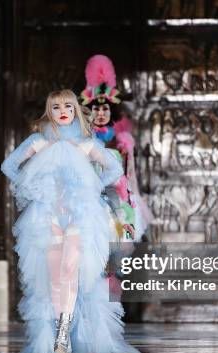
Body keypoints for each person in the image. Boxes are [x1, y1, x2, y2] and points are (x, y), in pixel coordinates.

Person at [1, 90, 139, 353]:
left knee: (70, 271)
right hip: (48, 217)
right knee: (55, 276)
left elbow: (114, 170)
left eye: (68, 106)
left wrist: (93, 187)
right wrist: (33, 189)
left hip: (81, 217)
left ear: (75, 109)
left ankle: (63, 335)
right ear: (48, 111)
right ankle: (59, 334)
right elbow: (9, 166)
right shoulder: (39, 142)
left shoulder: (87, 145)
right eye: (55, 107)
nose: (62, 111)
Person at [80, 54, 153, 243]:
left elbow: (130, 181)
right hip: (89, 203)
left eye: (106, 109)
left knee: (120, 252)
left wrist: (132, 207)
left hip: (118, 202)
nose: (101, 113)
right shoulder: (81, 140)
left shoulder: (122, 141)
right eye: (96, 109)